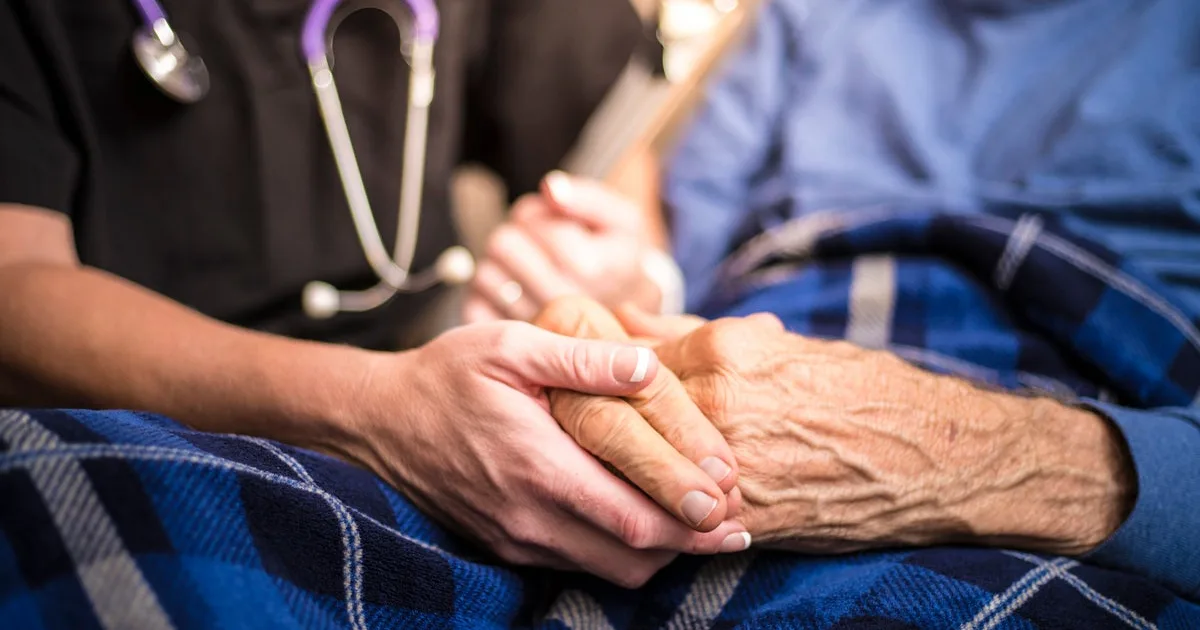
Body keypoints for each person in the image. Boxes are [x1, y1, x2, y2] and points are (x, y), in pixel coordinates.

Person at [0, 0, 753, 589]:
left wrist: (632, 273)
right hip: (141, 437)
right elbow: (15, 288)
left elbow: (609, 157)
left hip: (454, 417)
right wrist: (374, 411)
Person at [472, 0, 1200, 604]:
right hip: (749, 368)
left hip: (1100, 383)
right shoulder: (807, 14)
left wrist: (974, 458)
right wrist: (623, 291)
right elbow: (680, 266)